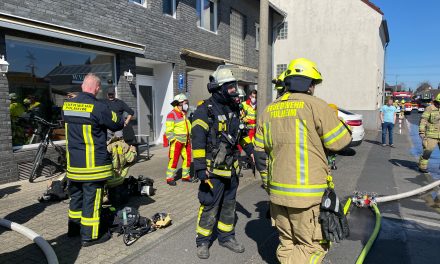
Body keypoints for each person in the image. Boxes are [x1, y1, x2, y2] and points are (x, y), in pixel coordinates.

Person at [254, 58, 352, 264]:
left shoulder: (268, 110)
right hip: (307, 197)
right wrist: (340, 121)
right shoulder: (316, 106)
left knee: (287, 242)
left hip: (277, 194)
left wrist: (267, 184)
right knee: (313, 246)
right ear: (310, 84)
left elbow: (260, 154)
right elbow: (340, 141)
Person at [192, 66, 253, 259]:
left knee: (229, 205)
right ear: (219, 89)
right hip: (213, 172)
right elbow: (198, 141)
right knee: (209, 205)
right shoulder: (204, 111)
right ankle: (203, 241)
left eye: (234, 86)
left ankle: (226, 237)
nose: (234, 90)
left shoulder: (234, 108)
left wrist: (251, 151)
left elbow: (241, 134)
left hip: (232, 170)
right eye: (230, 87)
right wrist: (200, 168)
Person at [63, 73, 124, 247]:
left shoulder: (67, 106)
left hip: (74, 167)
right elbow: (117, 123)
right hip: (93, 168)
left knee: (76, 199)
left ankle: (73, 230)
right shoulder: (98, 107)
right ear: (97, 88)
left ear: (83, 86)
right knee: (92, 201)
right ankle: (89, 237)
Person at [165, 93, 196, 186]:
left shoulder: (183, 114)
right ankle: (169, 178)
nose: (186, 104)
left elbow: (187, 126)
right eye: (185, 103)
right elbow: (169, 130)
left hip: (186, 141)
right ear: (179, 103)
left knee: (188, 159)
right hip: (177, 142)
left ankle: (185, 176)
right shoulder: (172, 114)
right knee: (174, 160)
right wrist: (173, 140)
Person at [418, 93, 440, 173]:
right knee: (428, 151)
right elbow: (423, 120)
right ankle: (422, 166)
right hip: (431, 135)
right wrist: (421, 132)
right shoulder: (430, 108)